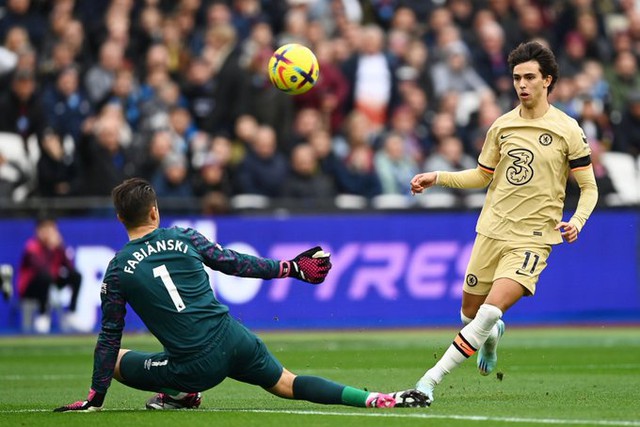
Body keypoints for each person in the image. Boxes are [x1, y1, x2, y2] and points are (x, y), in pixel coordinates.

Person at [54, 178, 428, 412]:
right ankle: (377, 398)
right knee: (287, 383)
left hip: (195, 367)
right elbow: (234, 263)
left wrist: (94, 398)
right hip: (234, 337)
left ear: (120, 218)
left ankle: (181, 393)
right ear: (155, 211)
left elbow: (109, 335)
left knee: (118, 359)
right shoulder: (184, 236)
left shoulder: (118, 268)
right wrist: (291, 268)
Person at [409, 41, 598, 404]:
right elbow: (482, 176)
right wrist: (438, 176)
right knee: (470, 314)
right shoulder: (502, 126)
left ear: (548, 80)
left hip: (532, 239)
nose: (521, 84)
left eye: (529, 77)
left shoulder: (567, 129)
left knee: (490, 310)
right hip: (491, 231)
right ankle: (493, 334)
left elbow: (589, 187)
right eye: (516, 78)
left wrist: (579, 220)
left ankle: (427, 381)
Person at [17, 217, 82, 333]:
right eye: (46, 229)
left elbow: (69, 267)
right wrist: (50, 249)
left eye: (52, 229)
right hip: (31, 287)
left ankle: (71, 314)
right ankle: (42, 316)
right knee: (45, 277)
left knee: (76, 276)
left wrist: (61, 247)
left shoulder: (57, 247)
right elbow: (41, 268)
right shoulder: (31, 247)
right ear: (39, 231)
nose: (50, 232)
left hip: (51, 281)